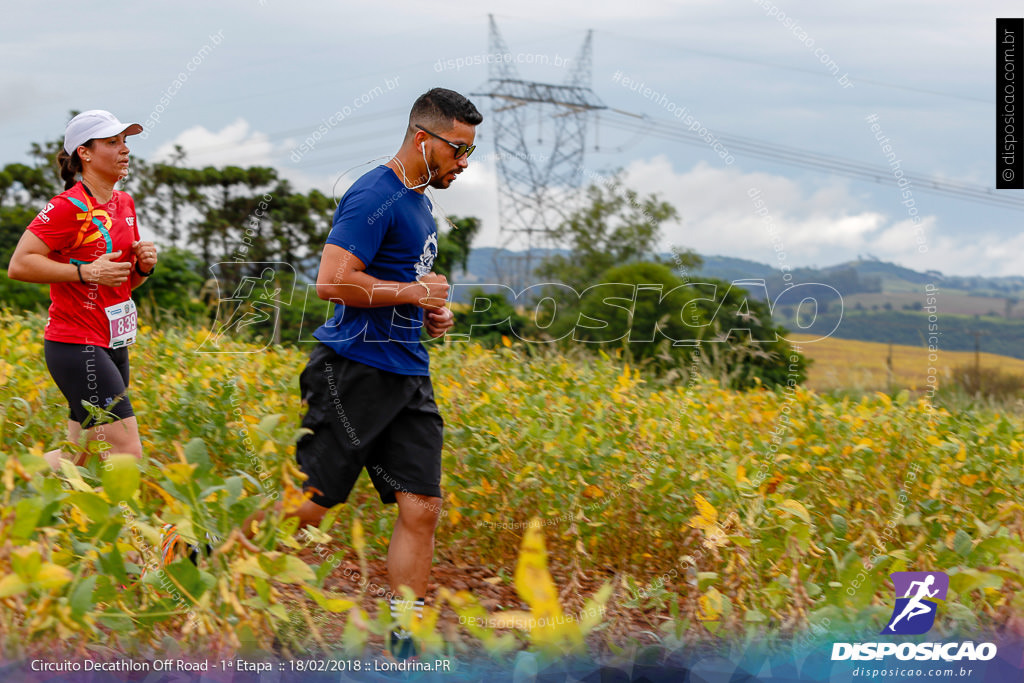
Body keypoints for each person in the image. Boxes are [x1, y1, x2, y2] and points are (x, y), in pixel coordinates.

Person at [288, 87, 480, 657]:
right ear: (425, 139)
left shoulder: (420, 203)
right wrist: (414, 291)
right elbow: (331, 280)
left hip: (406, 374)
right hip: (353, 371)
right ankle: (199, 557)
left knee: (421, 506)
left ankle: (407, 641)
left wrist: (429, 309)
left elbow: (400, 284)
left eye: (470, 152)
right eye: (457, 150)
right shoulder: (374, 195)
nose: (463, 164)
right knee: (308, 505)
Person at [7, 110, 157, 468]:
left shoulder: (125, 204)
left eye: (125, 142)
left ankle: (12, 494)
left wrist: (143, 268)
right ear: (84, 154)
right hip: (77, 344)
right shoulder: (67, 207)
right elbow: (19, 264)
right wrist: (84, 271)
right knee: (125, 452)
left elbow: (122, 282)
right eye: (112, 142)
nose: (124, 150)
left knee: (81, 456)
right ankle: (129, 526)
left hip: (114, 342)